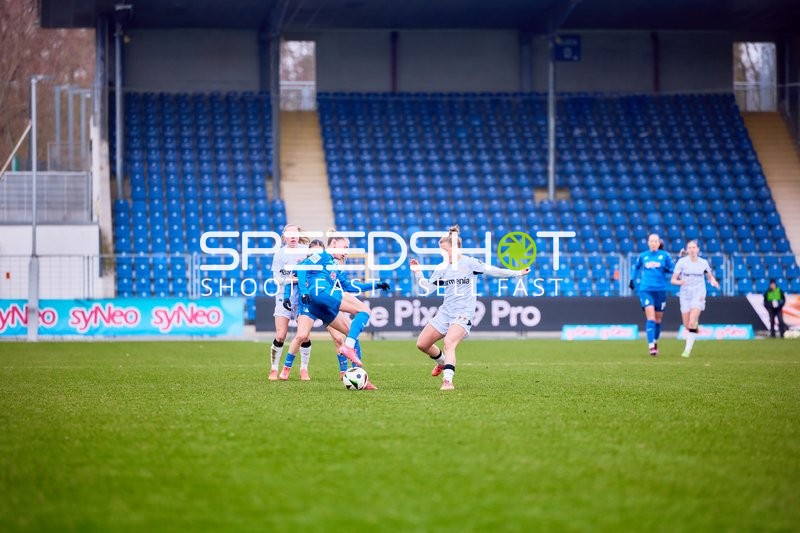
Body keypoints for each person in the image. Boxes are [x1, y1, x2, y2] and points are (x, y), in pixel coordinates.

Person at [411, 225, 530, 390]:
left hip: (463, 313)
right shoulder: (442, 268)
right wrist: (418, 272)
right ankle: (442, 362)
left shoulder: (470, 263)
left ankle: (448, 381)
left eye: (445, 251)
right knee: (422, 344)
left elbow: (494, 271)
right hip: (445, 312)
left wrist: (517, 273)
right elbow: (428, 288)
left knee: (449, 342)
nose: (443, 255)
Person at [280, 232, 387, 388]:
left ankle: (361, 377)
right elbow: (302, 267)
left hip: (320, 305)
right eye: (345, 247)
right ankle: (347, 348)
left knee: (352, 331)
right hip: (320, 294)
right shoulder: (322, 254)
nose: (346, 251)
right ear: (334, 244)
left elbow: (350, 287)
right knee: (364, 311)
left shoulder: (336, 268)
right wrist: (302, 291)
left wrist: (375, 285)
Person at [268, 224, 311, 381]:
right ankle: (273, 368)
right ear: (284, 237)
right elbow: (276, 279)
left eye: (295, 234)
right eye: (289, 234)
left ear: (298, 236)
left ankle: (304, 369)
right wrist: (290, 279)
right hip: (283, 296)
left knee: (304, 335)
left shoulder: (306, 251)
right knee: (281, 335)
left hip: (302, 296)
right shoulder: (279, 255)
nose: (293, 236)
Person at [670, 240, 720, 357]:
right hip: (685, 294)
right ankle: (693, 326)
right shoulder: (682, 262)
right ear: (687, 250)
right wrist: (679, 282)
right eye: (690, 247)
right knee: (687, 324)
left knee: (692, 321)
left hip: (699, 293)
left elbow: (709, 277)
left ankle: (687, 350)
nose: (692, 250)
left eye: (694, 247)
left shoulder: (703, 263)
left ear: (698, 249)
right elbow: (673, 280)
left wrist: (713, 282)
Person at [630, 233, 674, 356]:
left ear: (659, 243)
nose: (653, 243)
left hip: (660, 290)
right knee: (651, 318)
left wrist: (672, 271)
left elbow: (673, 269)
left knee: (658, 320)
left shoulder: (665, 256)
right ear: (648, 243)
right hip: (646, 290)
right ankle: (651, 347)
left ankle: (655, 342)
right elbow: (636, 267)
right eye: (651, 241)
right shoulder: (643, 256)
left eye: (656, 241)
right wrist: (632, 279)